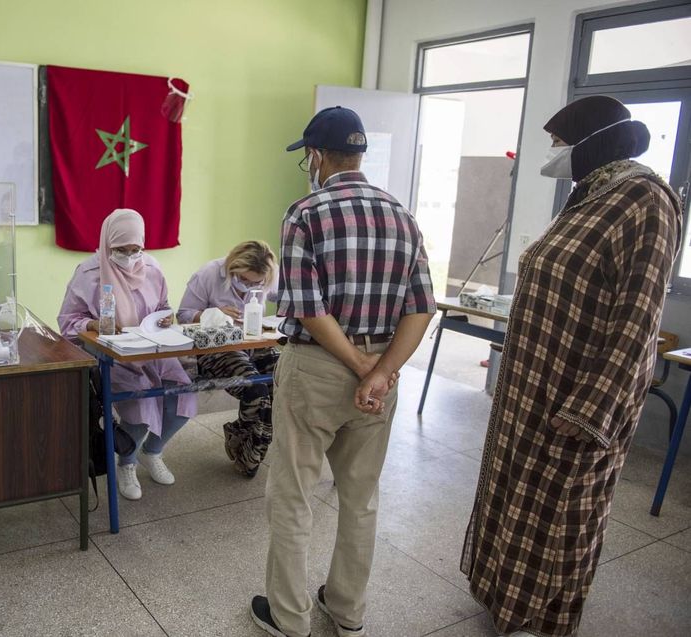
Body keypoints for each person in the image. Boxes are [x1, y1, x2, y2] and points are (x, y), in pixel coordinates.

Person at [461, 96, 683, 636]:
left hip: (574, 398)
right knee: (515, 496)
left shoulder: (644, 201)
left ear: (594, 142)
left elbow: (637, 320)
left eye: (560, 143)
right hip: (533, 386)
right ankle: (504, 600)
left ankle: (544, 618)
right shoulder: (592, 196)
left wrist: (591, 409)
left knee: (559, 514)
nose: (553, 154)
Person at [250, 106, 436, 637]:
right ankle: (347, 610)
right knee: (361, 496)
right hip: (383, 369)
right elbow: (422, 305)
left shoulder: (305, 213)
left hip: (317, 367)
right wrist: (381, 372)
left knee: (294, 493)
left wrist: (358, 365)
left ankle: (290, 618)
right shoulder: (402, 215)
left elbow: (307, 307)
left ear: (315, 155)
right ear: (359, 153)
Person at [58, 209, 197, 501]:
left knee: (183, 394)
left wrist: (165, 317)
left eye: (136, 250)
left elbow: (163, 305)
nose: (131, 256)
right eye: (122, 250)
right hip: (112, 352)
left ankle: (152, 451)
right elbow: (67, 321)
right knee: (139, 408)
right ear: (108, 244)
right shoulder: (88, 273)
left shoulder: (152, 268)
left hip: (152, 349)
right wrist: (93, 324)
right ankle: (127, 463)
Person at [177, 240, 280, 477]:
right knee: (257, 391)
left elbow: (287, 296)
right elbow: (183, 315)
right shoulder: (208, 274)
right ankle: (248, 457)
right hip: (216, 348)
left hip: (254, 343)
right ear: (233, 268)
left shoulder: (268, 277)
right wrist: (212, 314)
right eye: (244, 280)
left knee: (283, 382)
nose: (249, 286)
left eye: (257, 283)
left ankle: (239, 432)